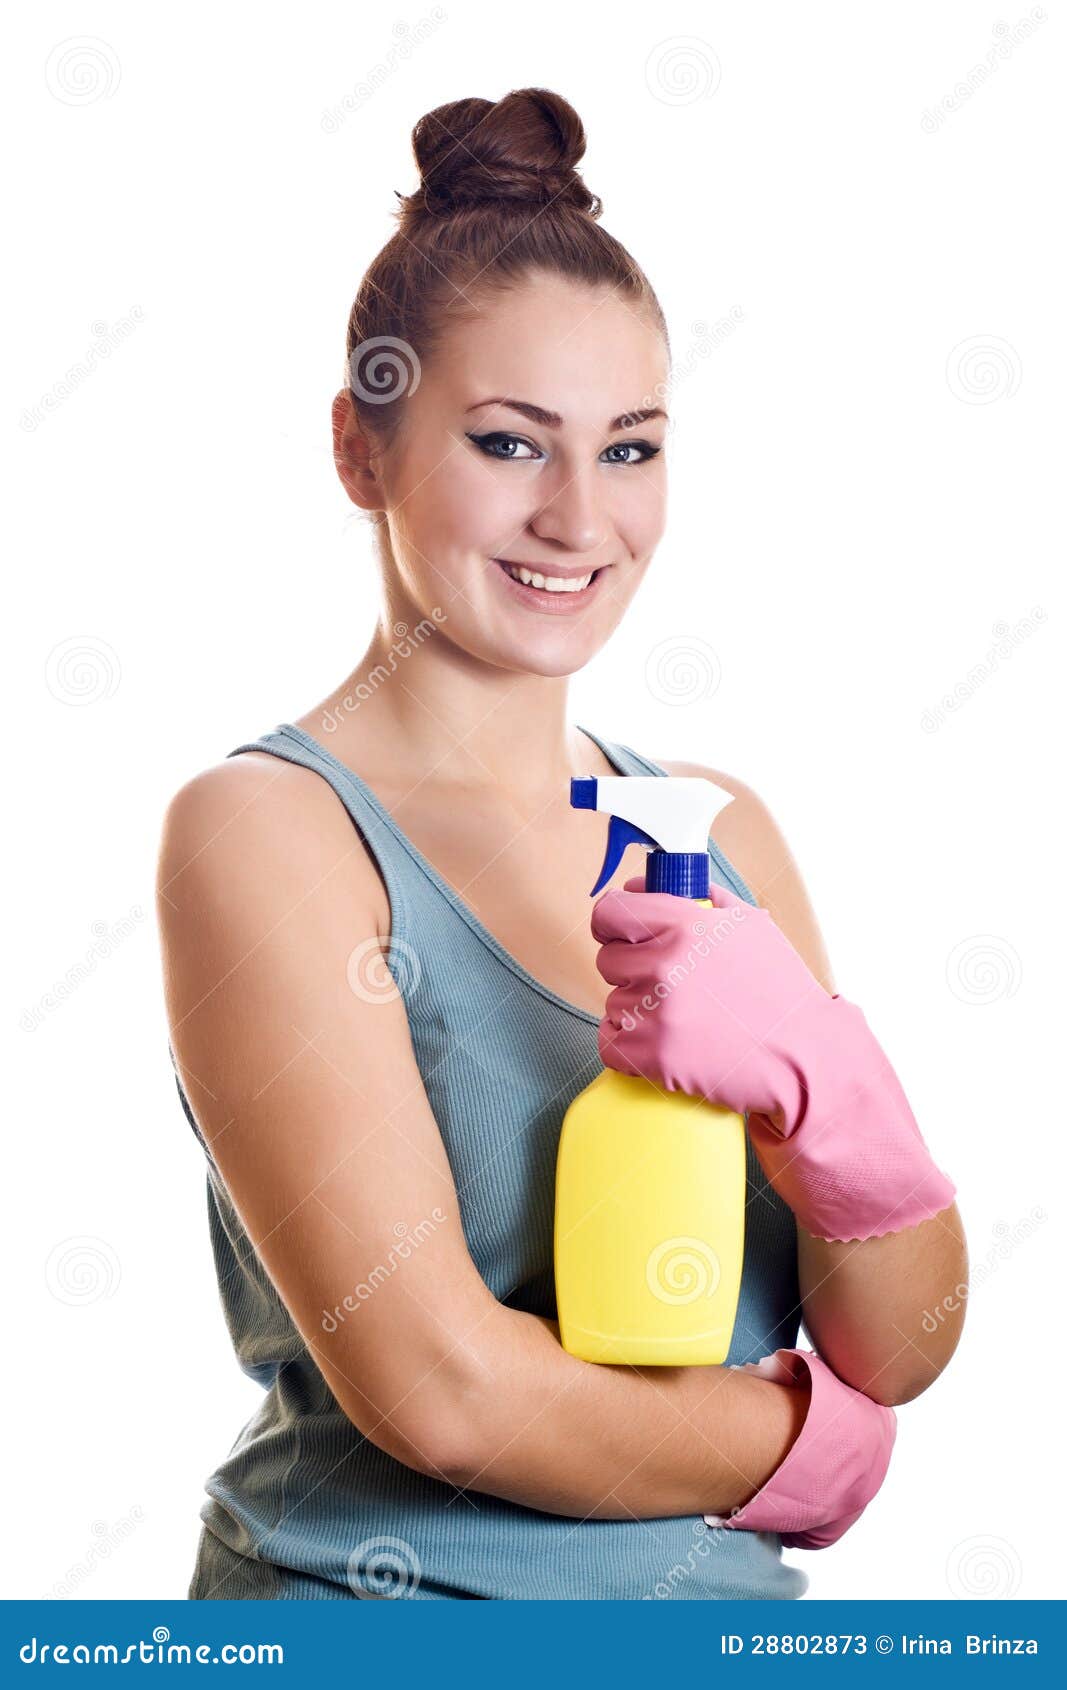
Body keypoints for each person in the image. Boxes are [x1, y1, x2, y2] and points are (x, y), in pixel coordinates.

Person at [156, 87, 965, 1602]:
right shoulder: (271, 831)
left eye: (634, 448)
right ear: (359, 448)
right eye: (510, 442)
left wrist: (825, 1094)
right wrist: (796, 1436)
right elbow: (440, 1386)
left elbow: (900, 1340)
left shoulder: (720, 835)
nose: (581, 517)